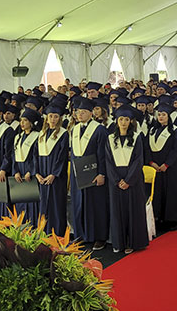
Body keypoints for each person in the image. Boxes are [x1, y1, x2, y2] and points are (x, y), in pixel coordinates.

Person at [106, 104, 148, 254]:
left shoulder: (137, 138)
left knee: (133, 211)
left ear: (131, 121)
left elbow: (138, 160)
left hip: (133, 180)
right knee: (117, 211)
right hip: (115, 180)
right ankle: (119, 242)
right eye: (120, 119)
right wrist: (117, 180)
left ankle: (133, 242)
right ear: (116, 121)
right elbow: (108, 161)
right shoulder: (110, 139)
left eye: (126, 119)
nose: (123, 122)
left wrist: (129, 180)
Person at [69, 97, 109, 250]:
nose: (80, 115)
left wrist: (101, 173)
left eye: (84, 112)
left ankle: (99, 237)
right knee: (79, 204)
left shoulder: (99, 130)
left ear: (91, 114)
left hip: (94, 173)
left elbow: (103, 155)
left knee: (96, 205)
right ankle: (82, 235)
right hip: (78, 172)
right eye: (78, 112)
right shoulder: (74, 129)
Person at [146, 103, 177, 231]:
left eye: (163, 115)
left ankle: (171, 219)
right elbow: (147, 148)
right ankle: (158, 217)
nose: (161, 117)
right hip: (156, 167)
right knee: (158, 191)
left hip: (170, 167)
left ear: (169, 116)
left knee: (171, 192)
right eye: (159, 115)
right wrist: (151, 163)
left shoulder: (175, 130)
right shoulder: (152, 130)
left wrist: (167, 164)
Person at [36, 103, 70, 235]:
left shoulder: (63, 134)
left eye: (56, 116)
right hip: (42, 175)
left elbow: (62, 157)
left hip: (56, 177)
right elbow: (35, 155)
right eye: (50, 116)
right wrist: (37, 173)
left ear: (60, 118)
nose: (53, 119)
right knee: (44, 204)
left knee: (56, 204)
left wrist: (54, 174)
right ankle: (44, 231)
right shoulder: (41, 134)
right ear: (46, 118)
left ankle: (58, 233)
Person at [11, 108, 41, 225]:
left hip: (31, 173)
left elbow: (36, 156)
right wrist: (15, 171)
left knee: (31, 201)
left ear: (32, 122)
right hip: (20, 172)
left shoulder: (38, 136)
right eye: (21, 120)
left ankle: (33, 227)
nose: (22, 123)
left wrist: (31, 171)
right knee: (21, 200)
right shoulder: (18, 137)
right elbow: (14, 155)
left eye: (25, 120)